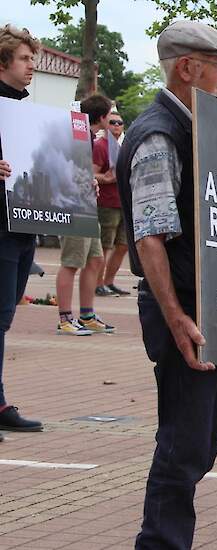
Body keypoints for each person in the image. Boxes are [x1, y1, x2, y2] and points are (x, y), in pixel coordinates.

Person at [116, 21, 217, 548]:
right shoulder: (159, 135)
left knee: (200, 444)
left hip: (210, 306)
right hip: (183, 308)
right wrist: (177, 317)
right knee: (184, 447)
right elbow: (149, 239)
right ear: (189, 68)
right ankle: (160, 542)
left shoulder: (201, 130)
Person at [0, 24, 45, 437]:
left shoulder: (25, 109)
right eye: (25, 59)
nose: (32, 66)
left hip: (23, 225)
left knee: (5, 316)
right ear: (4, 62)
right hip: (2, 227)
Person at [55, 94, 115, 336]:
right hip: (73, 205)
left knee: (95, 259)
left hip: (87, 204)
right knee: (71, 262)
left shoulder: (88, 137)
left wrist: (90, 180)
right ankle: (65, 318)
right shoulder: (76, 134)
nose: (113, 120)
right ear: (101, 117)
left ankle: (87, 314)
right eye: (110, 115)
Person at [95, 110, 132, 298]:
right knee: (105, 245)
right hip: (106, 203)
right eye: (113, 122)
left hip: (123, 203)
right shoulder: (100, 146)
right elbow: (90, 174)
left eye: (120, 123)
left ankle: (109, 281)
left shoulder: (124, 146)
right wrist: (106, 179)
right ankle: (98, 283)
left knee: (123, 245)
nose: (117, 126)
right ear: (106, 125)